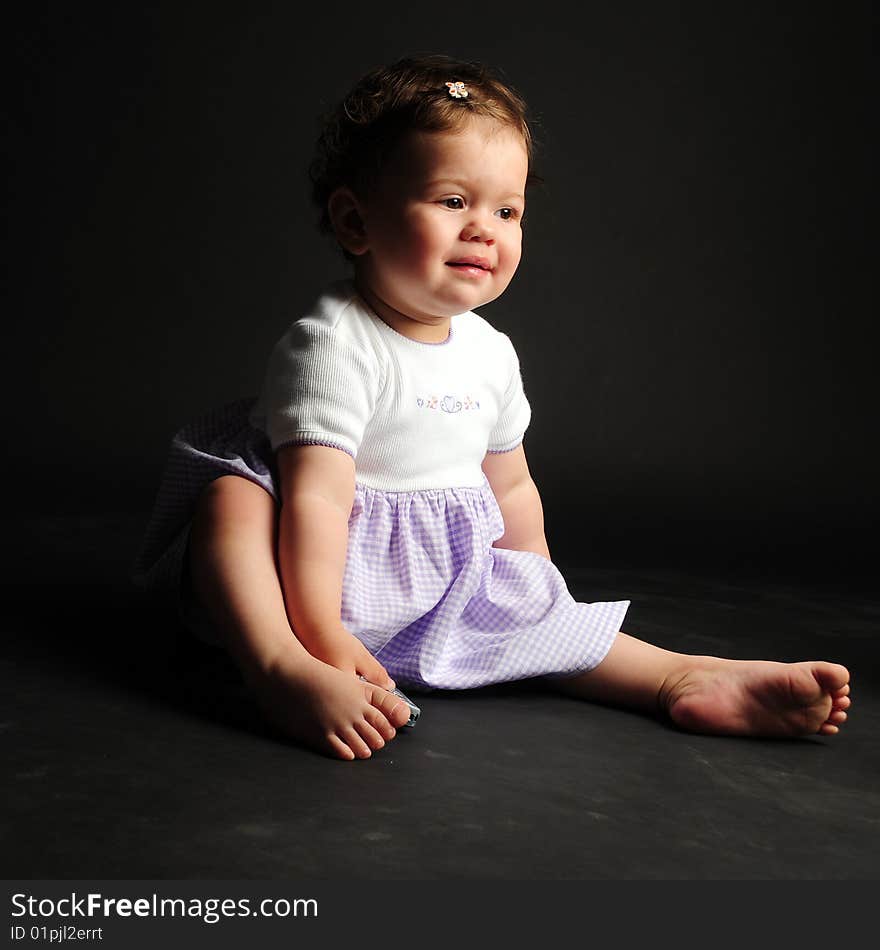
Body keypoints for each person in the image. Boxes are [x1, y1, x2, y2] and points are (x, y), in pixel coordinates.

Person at [133, 54, 851, 761]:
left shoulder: (491, 352)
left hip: (435, 580)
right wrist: (321, 634)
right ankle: (280, 670)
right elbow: (318, 504)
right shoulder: (331, 345)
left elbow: (510, 484)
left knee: (537, 617)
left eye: (506, 211)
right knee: (232, 500)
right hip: (305, 574)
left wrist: (540, 600)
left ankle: (679, 676)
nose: (485, 228)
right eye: (452, 202)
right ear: (356, 221)